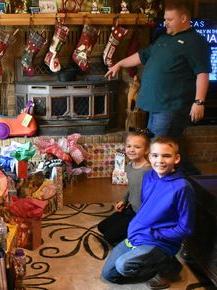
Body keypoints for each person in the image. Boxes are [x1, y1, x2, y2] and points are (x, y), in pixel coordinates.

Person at [105, 1, 211, 153]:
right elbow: (143, 56)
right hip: (155, 104)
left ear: (183, 18)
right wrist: (119, 64)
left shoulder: (196, 42)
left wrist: (199, 102)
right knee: (162, 146)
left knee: (158, 148)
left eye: (170, 20)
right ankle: (186, 174)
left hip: (171, 106)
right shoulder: (164, 37)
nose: (165, 23)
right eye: (165, 19)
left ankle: (173, 175)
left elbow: (202, 73)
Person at [101, 136, 195, 289]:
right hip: (139, 234)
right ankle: (162, 260)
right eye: (155, 155)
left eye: (167, 155)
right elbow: (145, 208)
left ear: (176, 158)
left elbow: (185, 228)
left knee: (123, 265)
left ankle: (167, 265)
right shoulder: (148, 176)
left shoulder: (182, 187)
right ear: (149, 156)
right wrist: (137, 228)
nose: (160, 160)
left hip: (159, 240)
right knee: (110, 275)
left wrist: (154, 234)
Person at [97, 131, 151, 246]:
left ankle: (140, 235)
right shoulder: (129, 166)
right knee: (101, 227)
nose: (132, 149)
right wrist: (123, 200)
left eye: (137, 147)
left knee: (109, 237)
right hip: (130, 209)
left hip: (141, 215)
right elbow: (131, 187)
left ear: (146, 150)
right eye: (129, 146)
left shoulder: (148, 171)